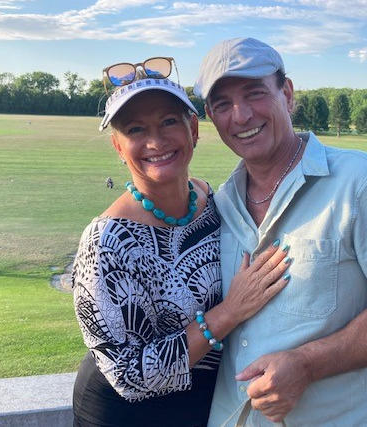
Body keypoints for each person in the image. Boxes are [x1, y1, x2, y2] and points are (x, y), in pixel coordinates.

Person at [194, 37, 367, 426]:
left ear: (287, 94)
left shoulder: (362, 182)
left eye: (255, 93)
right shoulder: (220, 204)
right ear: (211, 115)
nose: (241, 116)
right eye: (223, 104)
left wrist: (306, 364)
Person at [71, 57, 291, 427]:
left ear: (194, 129)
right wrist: (227, 313)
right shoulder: (106, 241)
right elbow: (127, 375)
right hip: (128, 415)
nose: (155, 141)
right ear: (118, 147)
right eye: (136, 129)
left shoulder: (211, 200)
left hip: (205, 402)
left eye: (169, 122)